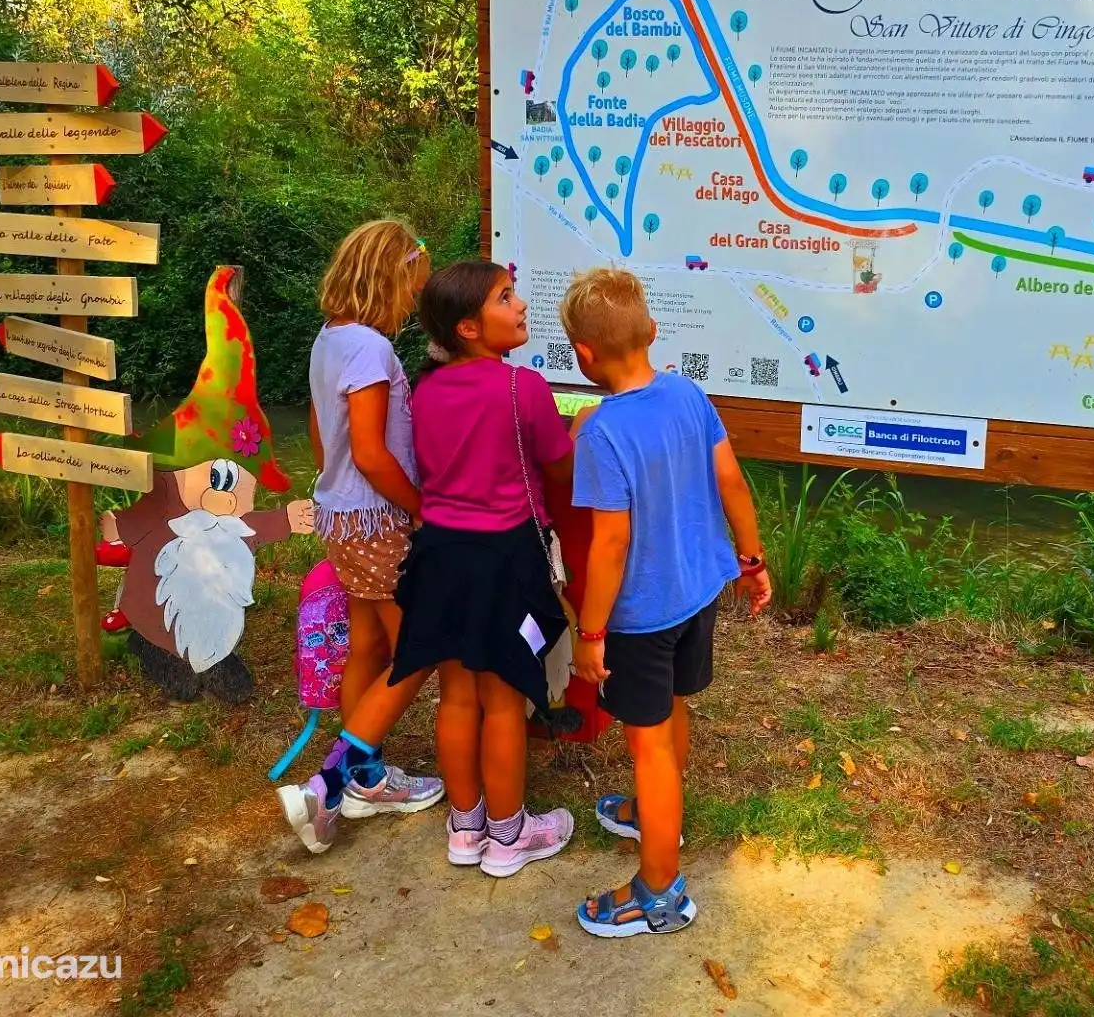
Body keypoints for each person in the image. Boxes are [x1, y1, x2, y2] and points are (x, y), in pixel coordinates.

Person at [562, 268, 771, 937]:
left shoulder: (600, 433)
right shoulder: (687, 394)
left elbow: (610, 545)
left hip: (641, 616)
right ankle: (658, 816)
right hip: (699, 591)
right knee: (671, 711)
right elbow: (732, 480)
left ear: (583, 355)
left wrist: (591, 634)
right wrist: (753, 558)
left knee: (646, 744)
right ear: (652, 333)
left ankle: (658, 891)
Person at [386, 260, 576, 877]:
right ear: (469, 326)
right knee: (502, 698)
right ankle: (511, 832)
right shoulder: (525, 388)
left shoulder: (425, 391)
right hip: (504, 560)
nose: (520, 304)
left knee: (455, 697)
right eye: (505, 297)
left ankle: (466, 828)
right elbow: (561, 465)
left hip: (440, 557)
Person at [276, 220, 444, 854]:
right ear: (390, 279)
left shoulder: (330, 339)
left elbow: (324, 438)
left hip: (341, 518)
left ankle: (368, 775)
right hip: (378, 520)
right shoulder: (372, 350)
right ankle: (330, 782)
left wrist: (335, 487)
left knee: (370, 644)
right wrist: (420, 508)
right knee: (419, 651)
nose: (412, 305)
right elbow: (373, 454)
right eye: (412, 288)